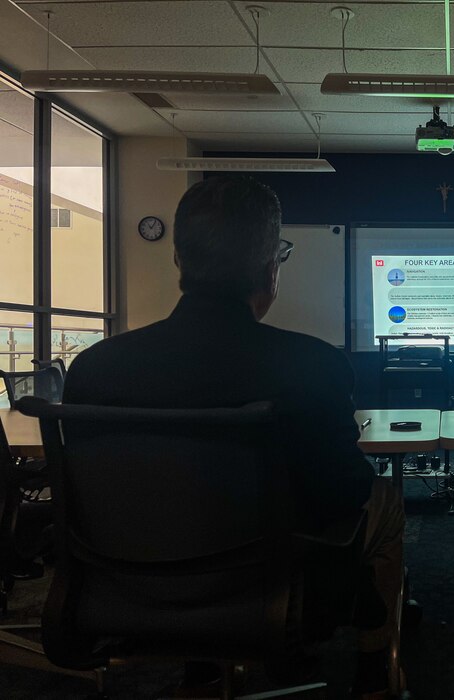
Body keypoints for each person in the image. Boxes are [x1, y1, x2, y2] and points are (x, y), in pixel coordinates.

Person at [63, 175, 403, 700]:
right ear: (271, 267)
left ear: (178, 259)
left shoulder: (93, 370)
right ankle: (374, 670)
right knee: (385, 500)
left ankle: (203, 666)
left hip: (128, 582)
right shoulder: (312, 365)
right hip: (271, 585)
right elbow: (346, 492)